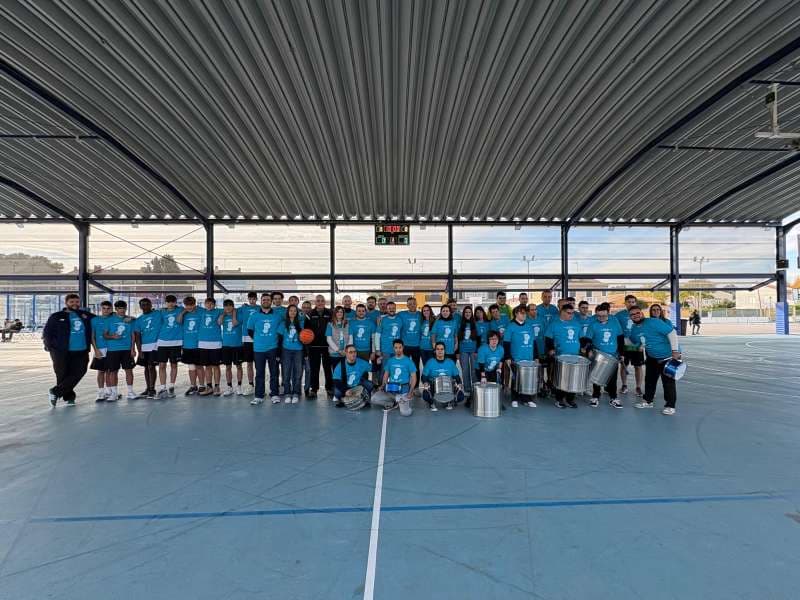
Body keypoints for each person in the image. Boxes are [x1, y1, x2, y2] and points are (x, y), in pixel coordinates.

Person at [629, 305, 682, 415]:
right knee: (649, 381)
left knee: (668, 382)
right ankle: (648, 401)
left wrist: (675, 351)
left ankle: (670, 406)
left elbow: (671, 333)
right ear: (630, 317)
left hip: (667, 356)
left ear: (642, 313)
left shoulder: (653, 322)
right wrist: (637, 346)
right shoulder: (634, 330)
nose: (635, 316)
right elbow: (637, 342)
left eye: (637, 313)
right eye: (632, 315)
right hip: (652, 358)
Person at [42, 293, 94, 406]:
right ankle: (69, 397)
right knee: (62, 374)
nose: (75, 304)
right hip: (61, 351)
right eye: (72, 302)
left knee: (80, 371)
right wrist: (49, 346)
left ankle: (55, 392)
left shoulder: (84, 315)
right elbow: (47, 332)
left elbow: (101, 319)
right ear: (66, 303)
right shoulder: (56, 316)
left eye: (76, 302)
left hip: (81, 350)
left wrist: (118, 316)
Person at [582, 302, 624, 408]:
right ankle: (595, 396)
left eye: (604, 316)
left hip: (612, 355)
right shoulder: (593, 325)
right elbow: (588, 339)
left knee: (612, 378)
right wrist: (589, 350)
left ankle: (613, 397)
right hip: (598, 355)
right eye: (599, 316)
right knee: (597, 377)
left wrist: (622, 353)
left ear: (608, 314)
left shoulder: (615, 323)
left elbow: (620, 338)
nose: (601, 318)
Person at [544, 303, 583, 409]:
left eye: (572, 313)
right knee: (561, 379)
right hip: (561, 357)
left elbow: (582, 338)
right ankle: (559, 399)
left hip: (575, 356)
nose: (571, 315)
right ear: (562, 312)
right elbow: (548, 339)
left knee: (573, 379)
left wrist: (584, 348)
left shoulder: (576, 323)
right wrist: (551, 349)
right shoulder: (554, 324)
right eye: (568, 313)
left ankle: (570, 399)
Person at [247, 293, 283, 405]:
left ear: (271, 301)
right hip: (258, 349)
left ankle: (274, 394)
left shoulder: (277, 315)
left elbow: (280, 331)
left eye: (268, 300)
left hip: (273, 348)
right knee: (260, 373)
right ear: (261, 301)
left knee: (274, 372)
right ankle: (259, 395)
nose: (266, 301)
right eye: (264, 300)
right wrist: (259, 339)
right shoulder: (254, 315)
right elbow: (250, 330)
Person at [503, 305, 537, 408]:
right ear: (516, 314)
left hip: (529, 358)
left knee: (527, 379)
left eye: (525, 313)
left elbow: (534, 342)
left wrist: (536, 356)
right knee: (516, 379)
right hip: (516, 358)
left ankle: (527, 399)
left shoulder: (529, 326)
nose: (524, 315)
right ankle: (514, 398)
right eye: (522, 313)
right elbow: (506, 343)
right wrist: (507, 357)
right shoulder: (511, 326)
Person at [103, 300, 137, 402]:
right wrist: (112, 336)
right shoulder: (109, 320)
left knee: (129, 370)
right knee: (113, 371)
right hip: (113, 349)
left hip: (126, 349)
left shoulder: (130, 320)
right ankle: (114, 393)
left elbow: (133, 336)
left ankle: (130, 392)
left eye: (123, 308)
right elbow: (105, 335)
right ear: (116, 309)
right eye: (119, 308)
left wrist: (133, 349)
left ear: (126, 308)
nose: (121, 310)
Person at [421, 341, 464, 411]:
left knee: (461, 396)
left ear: (444, 351)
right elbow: (423, 377)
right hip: (433, 386)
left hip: (449, 386)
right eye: (437, 349)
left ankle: (449, 401)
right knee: (425, 395)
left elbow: (457, 377)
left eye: (442, 349)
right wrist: (425, 383)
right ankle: (431, 402)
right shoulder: (430, 362)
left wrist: (459, 384)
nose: (440, 351)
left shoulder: (450, 362)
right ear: (435, 351)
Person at [616, 294, 644, 397]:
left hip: (637, 344)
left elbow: (644, 329)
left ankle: (638, 387)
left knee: (638, 366)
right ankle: (624, 385)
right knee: (624, 365)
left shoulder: (640, 314)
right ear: (625, 303)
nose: (631, 303)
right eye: (629, 302)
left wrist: (642, 344)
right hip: (624, 343)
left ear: (635, 303)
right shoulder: (619, 315)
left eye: (633, 302)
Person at [134, 298, 162, 399]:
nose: (145, 306)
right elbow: (137, 336)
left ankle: (152, 388)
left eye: (147, 304)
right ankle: (148, 388)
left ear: (151, 305)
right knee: (146, 367)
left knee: (151, 366)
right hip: (144, 347)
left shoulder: (158, 314)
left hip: (155, 345)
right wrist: (139, 350)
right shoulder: (139, 319)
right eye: (143, 305)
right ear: (140, 306)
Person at [156, 295, 183, 399]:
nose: (171, 303)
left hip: (176, 342)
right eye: (168, 302)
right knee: (162, 365)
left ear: (176, 302)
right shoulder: (161, 311)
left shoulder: (181, 309)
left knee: (174, 365)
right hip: (163, 342)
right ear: (165, 302)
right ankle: (163, 387)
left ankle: (171, 386)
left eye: (173, 302)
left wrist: (184, 312)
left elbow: (192, 308)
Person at [381, 339, 417, 415]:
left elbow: (414, 378)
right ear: (393, 348)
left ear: (403, 348)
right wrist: (383, 385)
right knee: (374, 399)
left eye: (400, 347)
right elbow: (386, 374)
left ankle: (403, 401)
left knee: (405, 413)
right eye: (396, 348)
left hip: (403, 389)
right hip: (391, 388)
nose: (398, 350)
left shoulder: (408, 361)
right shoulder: (390, 360)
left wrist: (410, 392)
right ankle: (394, 402)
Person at [306, 295, 333, 399]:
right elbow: (306, 330)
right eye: (318, 301)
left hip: (327, 345)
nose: (320, 302)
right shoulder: (310, 314)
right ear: (315, 302)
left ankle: (329, 388)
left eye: (322, 301)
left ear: (325, 302)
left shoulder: (330, 313)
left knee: (327, 368)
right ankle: (314, 389)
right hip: (314, 346)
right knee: (314, 369)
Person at [177, 296, 205, 396]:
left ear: (194, 304)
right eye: (187, 305)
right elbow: (179, 321)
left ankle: (202, 386)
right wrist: (184, 312)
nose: (189, 307)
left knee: (199, 366)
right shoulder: (184, 313)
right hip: (187, 345)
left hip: (199, 344)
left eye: (191, 305)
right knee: (191, 367)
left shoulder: (202, 311)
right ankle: (193, 386)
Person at [196, 297, 223, 396]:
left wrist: (222, 315)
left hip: (216, 343)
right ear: (204, 304)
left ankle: (217, 386)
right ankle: (209, 387)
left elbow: (230, 309)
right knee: (207, 366)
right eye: (207, 303)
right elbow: (187, 307)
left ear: (214, 304)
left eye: (211, 304)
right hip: (203, 343)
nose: (209, 305)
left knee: (216, 366)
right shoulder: (201, 311)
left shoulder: (219, 311)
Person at [278, 303, 304, 404]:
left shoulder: (300, 323)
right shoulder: (283, 324)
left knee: (298, 373)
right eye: (290, 310)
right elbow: (279, 339)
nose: (292, 312)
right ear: (287, 312)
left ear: (297, 312)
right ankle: (287, 393)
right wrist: (279, 353)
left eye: (295, 311)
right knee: (286, 372)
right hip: (286, 350)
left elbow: (304, 338)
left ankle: (296, 393)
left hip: (298, 350)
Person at [237, 292, 260, 394]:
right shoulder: (243, 308)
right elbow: (232, 310)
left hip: (258, 339)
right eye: (250, 299)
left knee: (259, 364)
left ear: (256, 299)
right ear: (248, 299)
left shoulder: (260, 308)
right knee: (249, 363)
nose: (252, 301)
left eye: (254, 299)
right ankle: (251, 385)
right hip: (246, 340)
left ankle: (260, 385)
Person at [90, 300, 113, 401]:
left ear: (111, 309)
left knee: (110, 371)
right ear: (101, 309)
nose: (106, 310)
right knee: (101, 371)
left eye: (108, 308)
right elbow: (92, 337)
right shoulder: (94, 320)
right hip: (100, 348)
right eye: (104, 308)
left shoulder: (114, 319)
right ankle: (100, 392)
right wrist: (96, 350)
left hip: (112, 348)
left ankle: (109, 391)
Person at [326, 306, 351, 395]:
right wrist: (338, 350)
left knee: (345, 374)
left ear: (343, 314)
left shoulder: (347, 324)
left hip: (345, 354)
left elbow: (350, 338)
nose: (339, 313)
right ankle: (337, 393)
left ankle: (345, 393)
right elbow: (329, 339)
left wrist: (347, 350)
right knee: (336, 374)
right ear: (335, 313)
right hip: (334, 354)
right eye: (338, 312)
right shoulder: (330, 324)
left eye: (341, 312)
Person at [219, 299, 243, 396]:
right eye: (226, 306)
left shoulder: (238, 315)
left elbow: (234, 323)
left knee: (238, 366)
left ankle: (239, 386)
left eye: (230, 305)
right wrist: (224, 314)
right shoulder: (223, 316)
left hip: (237, 345)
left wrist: (234, 313)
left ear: (233, 306)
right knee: (228, 367)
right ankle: (229, 387)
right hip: (226, 345)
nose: (228, 307)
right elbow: (219, 322)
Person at [376, 301, 403, 376]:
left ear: (395, 309)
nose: (391, 310)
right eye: (389, 308)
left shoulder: (399, 319)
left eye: (393, 308)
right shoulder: (382, 320)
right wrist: (377, 349)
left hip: (397, 350)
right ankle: (382, 386)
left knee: (395, 369)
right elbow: (377, 335)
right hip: (385, 350)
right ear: (386, 309)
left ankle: (394, 386)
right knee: (384, 369)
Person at [456, 306, 478, 397]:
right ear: (463, 314)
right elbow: (456, 338)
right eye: (466, 312)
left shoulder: (475, 324)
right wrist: (457, 352)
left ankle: (475, 387)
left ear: (471, 314)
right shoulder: (460, 324)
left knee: (474, 370)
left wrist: (477, 350)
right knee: (465, 370)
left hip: (473, 350)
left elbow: (479, 338)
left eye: (469, 312)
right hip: (463, 350)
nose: (468, 314)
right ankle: (467, 389)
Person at [399, 297, 422, 371]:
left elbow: (431, 317)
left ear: (416, 304)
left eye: (414, 304)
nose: (412, 305)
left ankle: (415, 383)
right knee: (404, 366)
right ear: (407, 305)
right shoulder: (402, 314)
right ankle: (405, 382)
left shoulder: (420, 315)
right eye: (410, 304)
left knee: (415, 367)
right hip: (405, 345)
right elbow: (391, 315)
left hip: (417, 346)